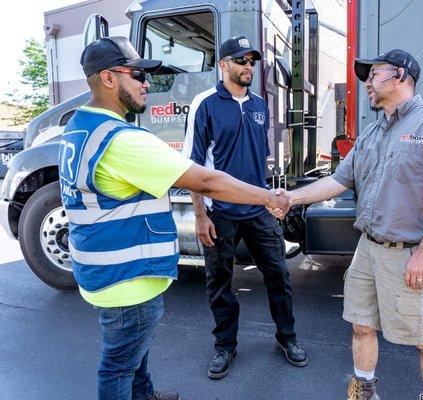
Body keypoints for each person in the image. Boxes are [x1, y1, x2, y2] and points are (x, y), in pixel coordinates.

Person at [58, 36, 290, 400]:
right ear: (107, 78)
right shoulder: (122, 139)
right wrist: (268, 198)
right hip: (126, 277)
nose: (146, 83)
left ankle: (145, 394)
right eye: (137, 74)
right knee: (119, 365)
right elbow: (206, 179)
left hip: (106, 268)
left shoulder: (79, 127)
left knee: (134, 352)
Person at [272, 49, 423, 400]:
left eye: (374, 74)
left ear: (401, 76)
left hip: (409, 254)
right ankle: (363, 390)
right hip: (368, 249)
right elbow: (338, 180)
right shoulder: (372, 133)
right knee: (362, 325)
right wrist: (291, 198)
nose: (366, 83)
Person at [182, 35, 308, 379]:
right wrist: (200, 214)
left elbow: (259, 160)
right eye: (240, 61)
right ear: (223, 65)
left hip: (257, 210)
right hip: (219, 213)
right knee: (219, 282)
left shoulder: (258, 105)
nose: (248, 66)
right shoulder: (205, 103)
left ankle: (287, 338)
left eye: (252, 61)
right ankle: (225, 346)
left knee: (279, 276)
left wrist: (270, 198)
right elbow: (193, 167)